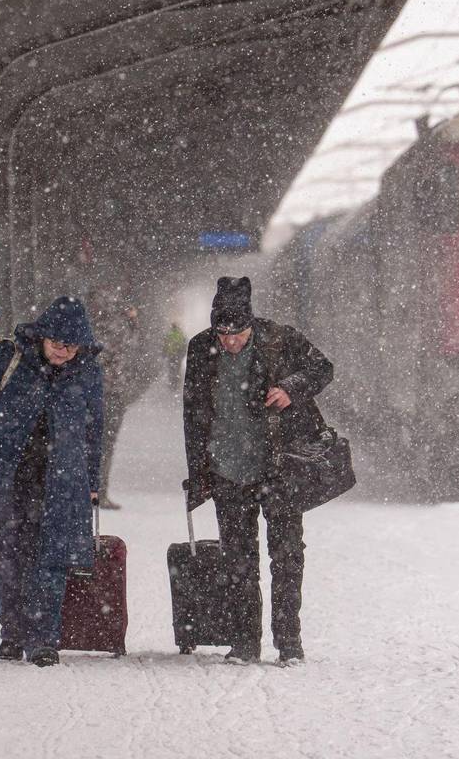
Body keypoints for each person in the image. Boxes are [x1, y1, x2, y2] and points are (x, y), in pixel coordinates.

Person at [182, 276, 334, 667]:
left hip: (280, 468)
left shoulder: (279, 338)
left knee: (287, 557)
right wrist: (198, 473)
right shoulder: (201, 348)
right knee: (238, 560)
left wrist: (290, 388)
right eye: (223, 334)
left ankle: (289, 643)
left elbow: (322, 368)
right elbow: (193, 414)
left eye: (239, 334)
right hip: (227, 468)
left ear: (251, 324)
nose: (230, 341)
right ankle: (245, 642)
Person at [0, 296, 103, 667]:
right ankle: (12, 632)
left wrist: (93, 480)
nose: (64, 351)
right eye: (57, 343)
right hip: (5, 477)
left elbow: (94, 429)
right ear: (42, 336)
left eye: (72, 346)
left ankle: (44, 639)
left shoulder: (86, 372)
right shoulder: (10, 358)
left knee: (51, 559)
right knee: (7, 557)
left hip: (60, 480)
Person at [90, 289, 152, 510]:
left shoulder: (94, 327)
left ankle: (95, 492)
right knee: (104, 445)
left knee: (99, 445)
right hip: (108, 393)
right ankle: (97, 492)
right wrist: (132, 322)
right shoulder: (113, 327)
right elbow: (133, 345)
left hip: (103, 393)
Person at [163, 322, 186, 391]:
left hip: (170, 355)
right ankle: (177, 383)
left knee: (171, 369)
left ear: (172, 327)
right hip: (178, 355)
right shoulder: (180, 334)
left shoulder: (168, 334)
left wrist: (164, 353)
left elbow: (165, 344)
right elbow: (184, 344)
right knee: (177, 369)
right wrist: (183, 353)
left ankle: (172, 383)